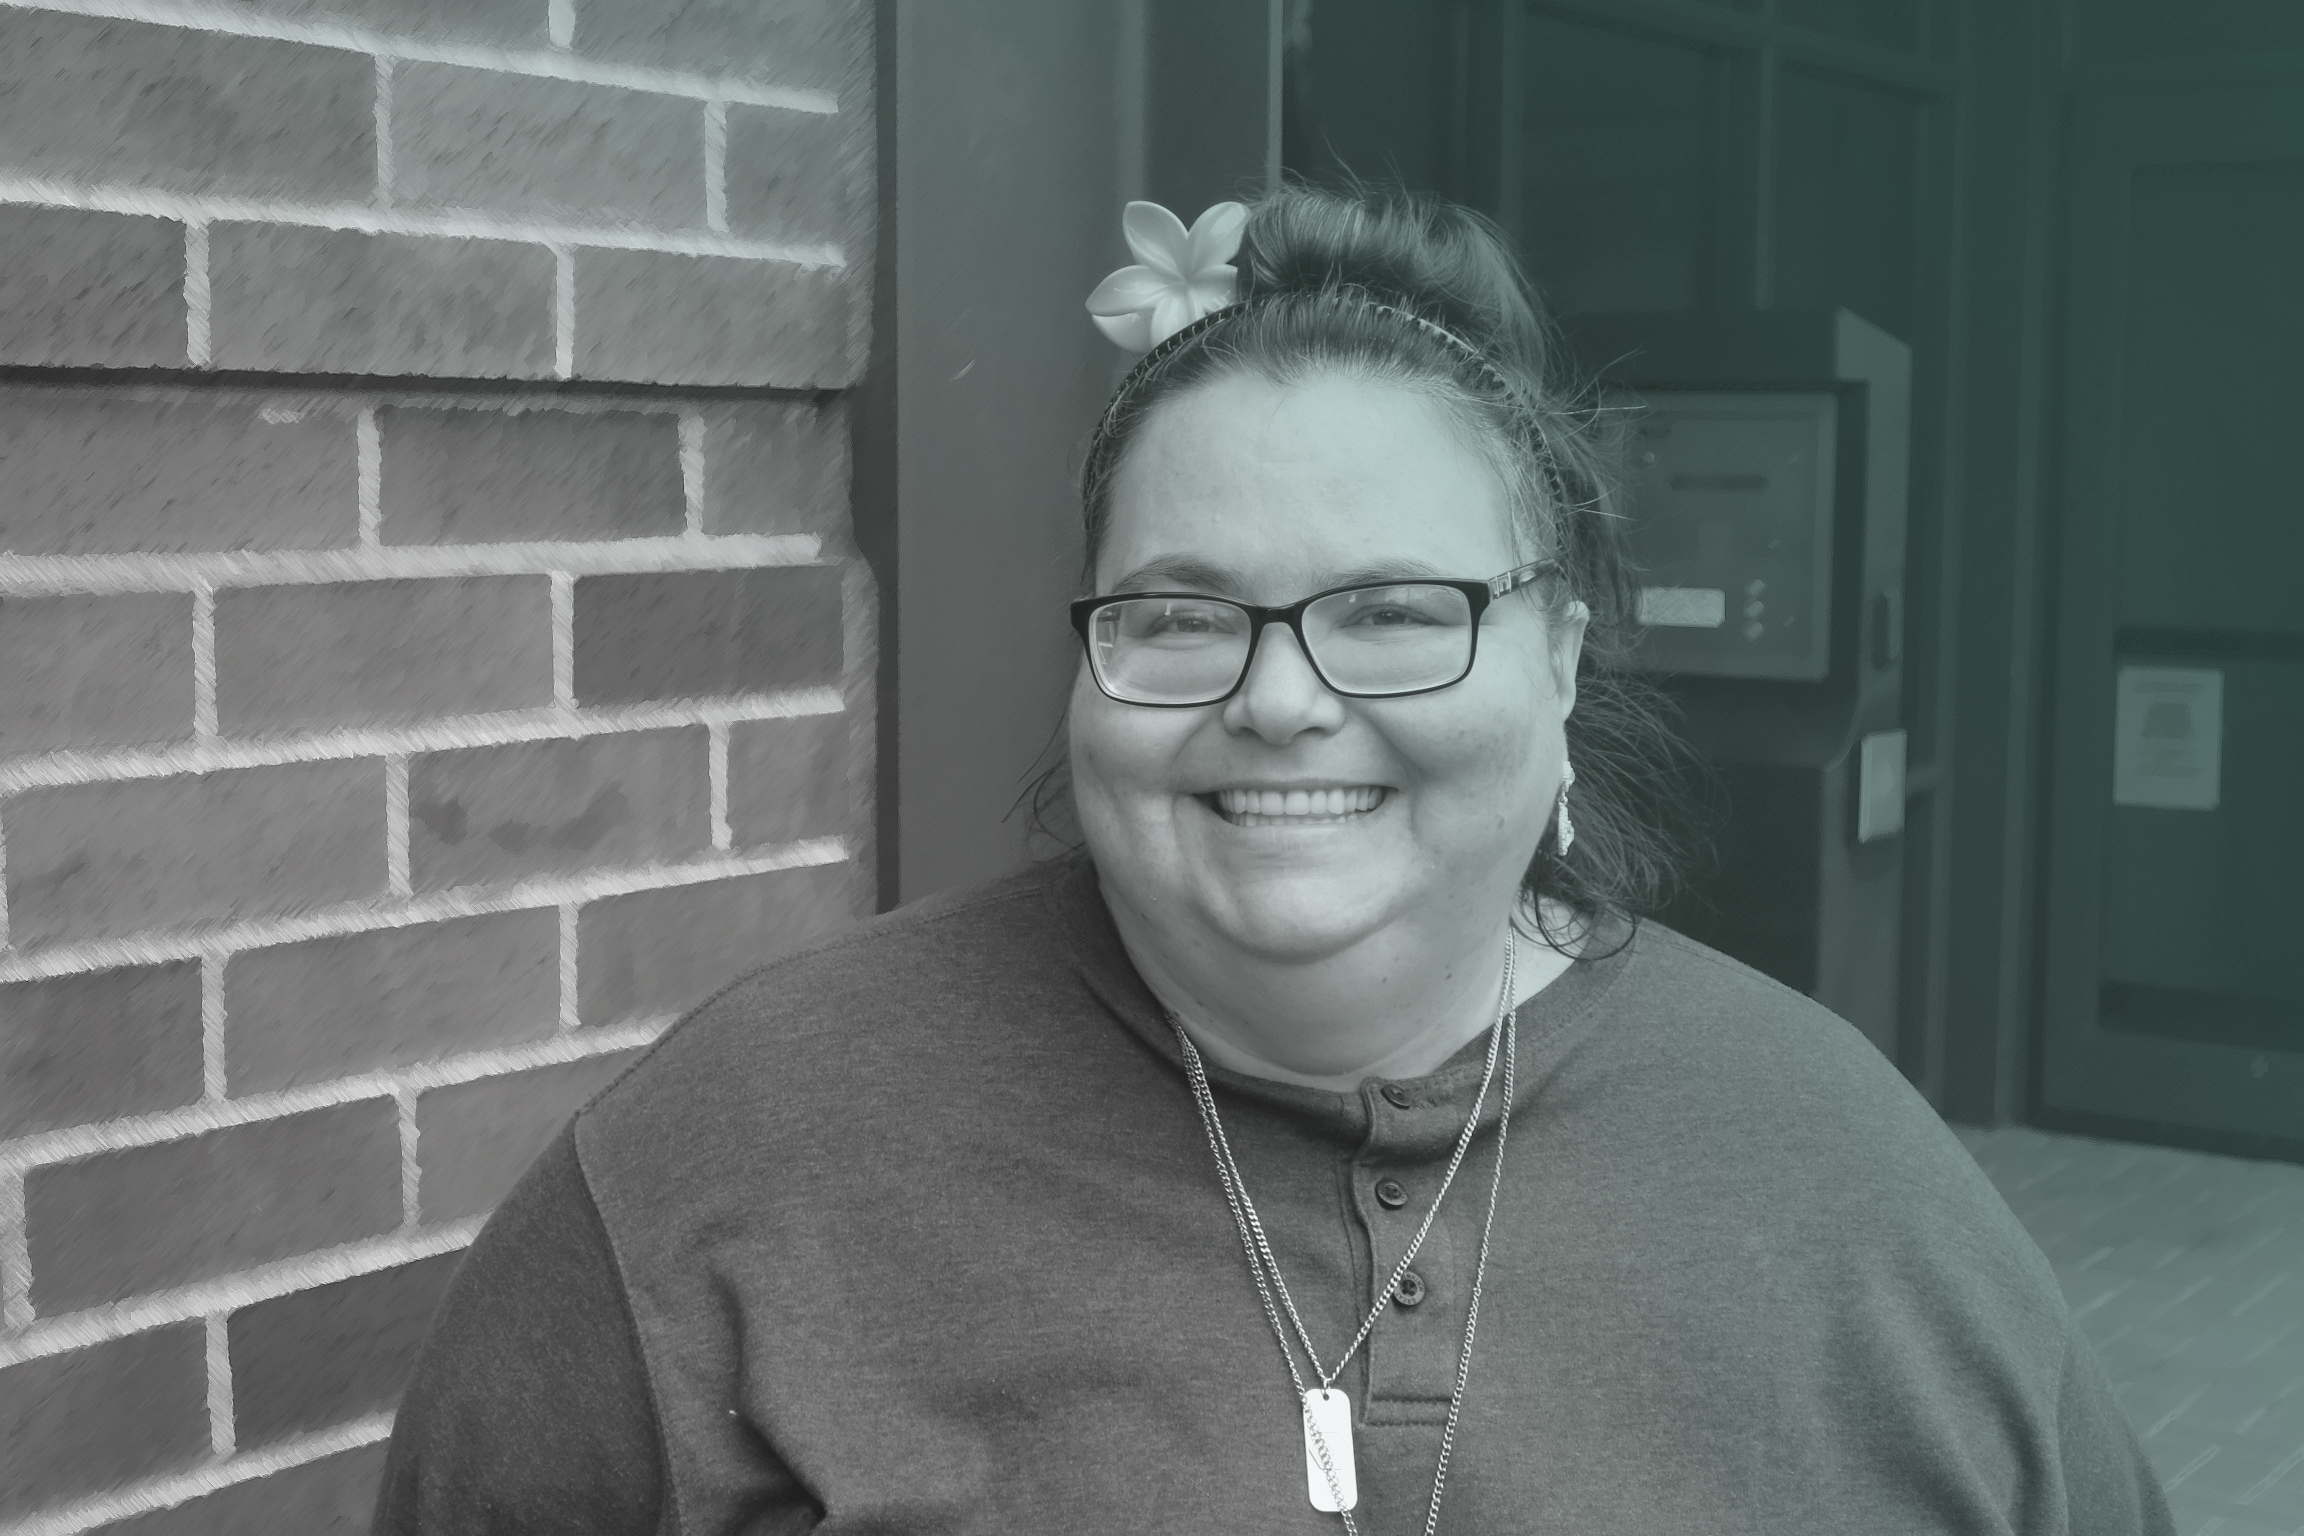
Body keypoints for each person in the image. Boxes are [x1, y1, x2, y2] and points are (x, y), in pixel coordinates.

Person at [376, 185, 2175, 1534]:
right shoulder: (736, 1160)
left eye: (1394, 612)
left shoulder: (1847, 1185)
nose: (1284, 700)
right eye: (1182, 616)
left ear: (1560, 659)